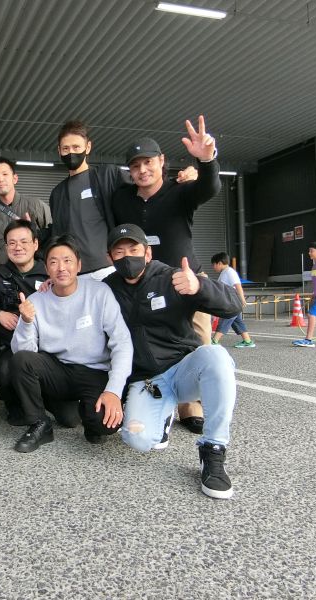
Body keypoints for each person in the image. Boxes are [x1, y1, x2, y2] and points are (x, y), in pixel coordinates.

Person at [103, 224, 242, 499]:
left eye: (133, 249)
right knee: (138, 439)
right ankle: (163, 412)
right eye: (119, 252)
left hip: (182, 370)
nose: (127, 257)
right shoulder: (107, 289)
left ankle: (213, 449)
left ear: (147, 253)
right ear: (110, 258)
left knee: (216, 357)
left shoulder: (172, 278)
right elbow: (75, 297)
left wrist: (199, 287)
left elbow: (233, 305)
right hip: (147, 381)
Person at [111, 115, 222, 434]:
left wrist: (206, 161)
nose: (142, 170)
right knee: (147, 342)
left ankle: (191, 405)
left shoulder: (181, 190)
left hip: (185, 280)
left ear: (161, 161)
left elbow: (209, 187)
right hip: (143, 284)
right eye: (135, 166)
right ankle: (153, 396)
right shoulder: (122, 198)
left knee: (198, 341)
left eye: (148, 162)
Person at [10, 235, 133, 453]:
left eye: (67, 261)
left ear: (79, 265)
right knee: (22, 360)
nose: (61, 268)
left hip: (94, 371)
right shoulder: (36, 300)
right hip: (58, 370)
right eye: (54, 262)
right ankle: (40, 423)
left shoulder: (99, 292)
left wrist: (114, 391)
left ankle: (81, 412)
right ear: (46, 269)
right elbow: (23, 353)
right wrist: (26, 323)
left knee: (103, 425)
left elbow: (122, 343)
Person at [48, 120, 198, 279]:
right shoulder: (57, 193)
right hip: (72, 275)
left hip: (108, 270)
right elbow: (56, 235)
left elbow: (146, 183)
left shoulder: (107, 176)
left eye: (76, 147)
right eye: (66, 148)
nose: (71, 153)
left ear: (88, 147)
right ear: (59, 151)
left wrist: (181, 179)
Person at [0, 220, 48, 425]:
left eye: (23, 241)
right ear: (6, 247)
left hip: (46, 342)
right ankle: (14, 403)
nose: (17, 247)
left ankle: (46, 398)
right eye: (12, 243)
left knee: (69, 417)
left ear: (35, 244)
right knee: (4, 370)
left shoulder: (49, 272)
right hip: (9, 344)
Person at [0, 157, 51, 265]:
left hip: (35, 272)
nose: (0, 179)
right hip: (5, 274)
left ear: (15, 179)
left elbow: (54, 238)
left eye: (5, 174)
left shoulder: (36, 206)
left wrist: (33, 233)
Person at [211, 252, 255, 348]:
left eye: (214, 265)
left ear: (219, 263)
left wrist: (242, 299)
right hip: (231, 301)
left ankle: (214, 340)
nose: (213, 267)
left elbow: (237, 285)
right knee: (237, 321)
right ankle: (247, 341)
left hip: (232, 301)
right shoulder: (225, 272)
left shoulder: (229, 272)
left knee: (226, 318)